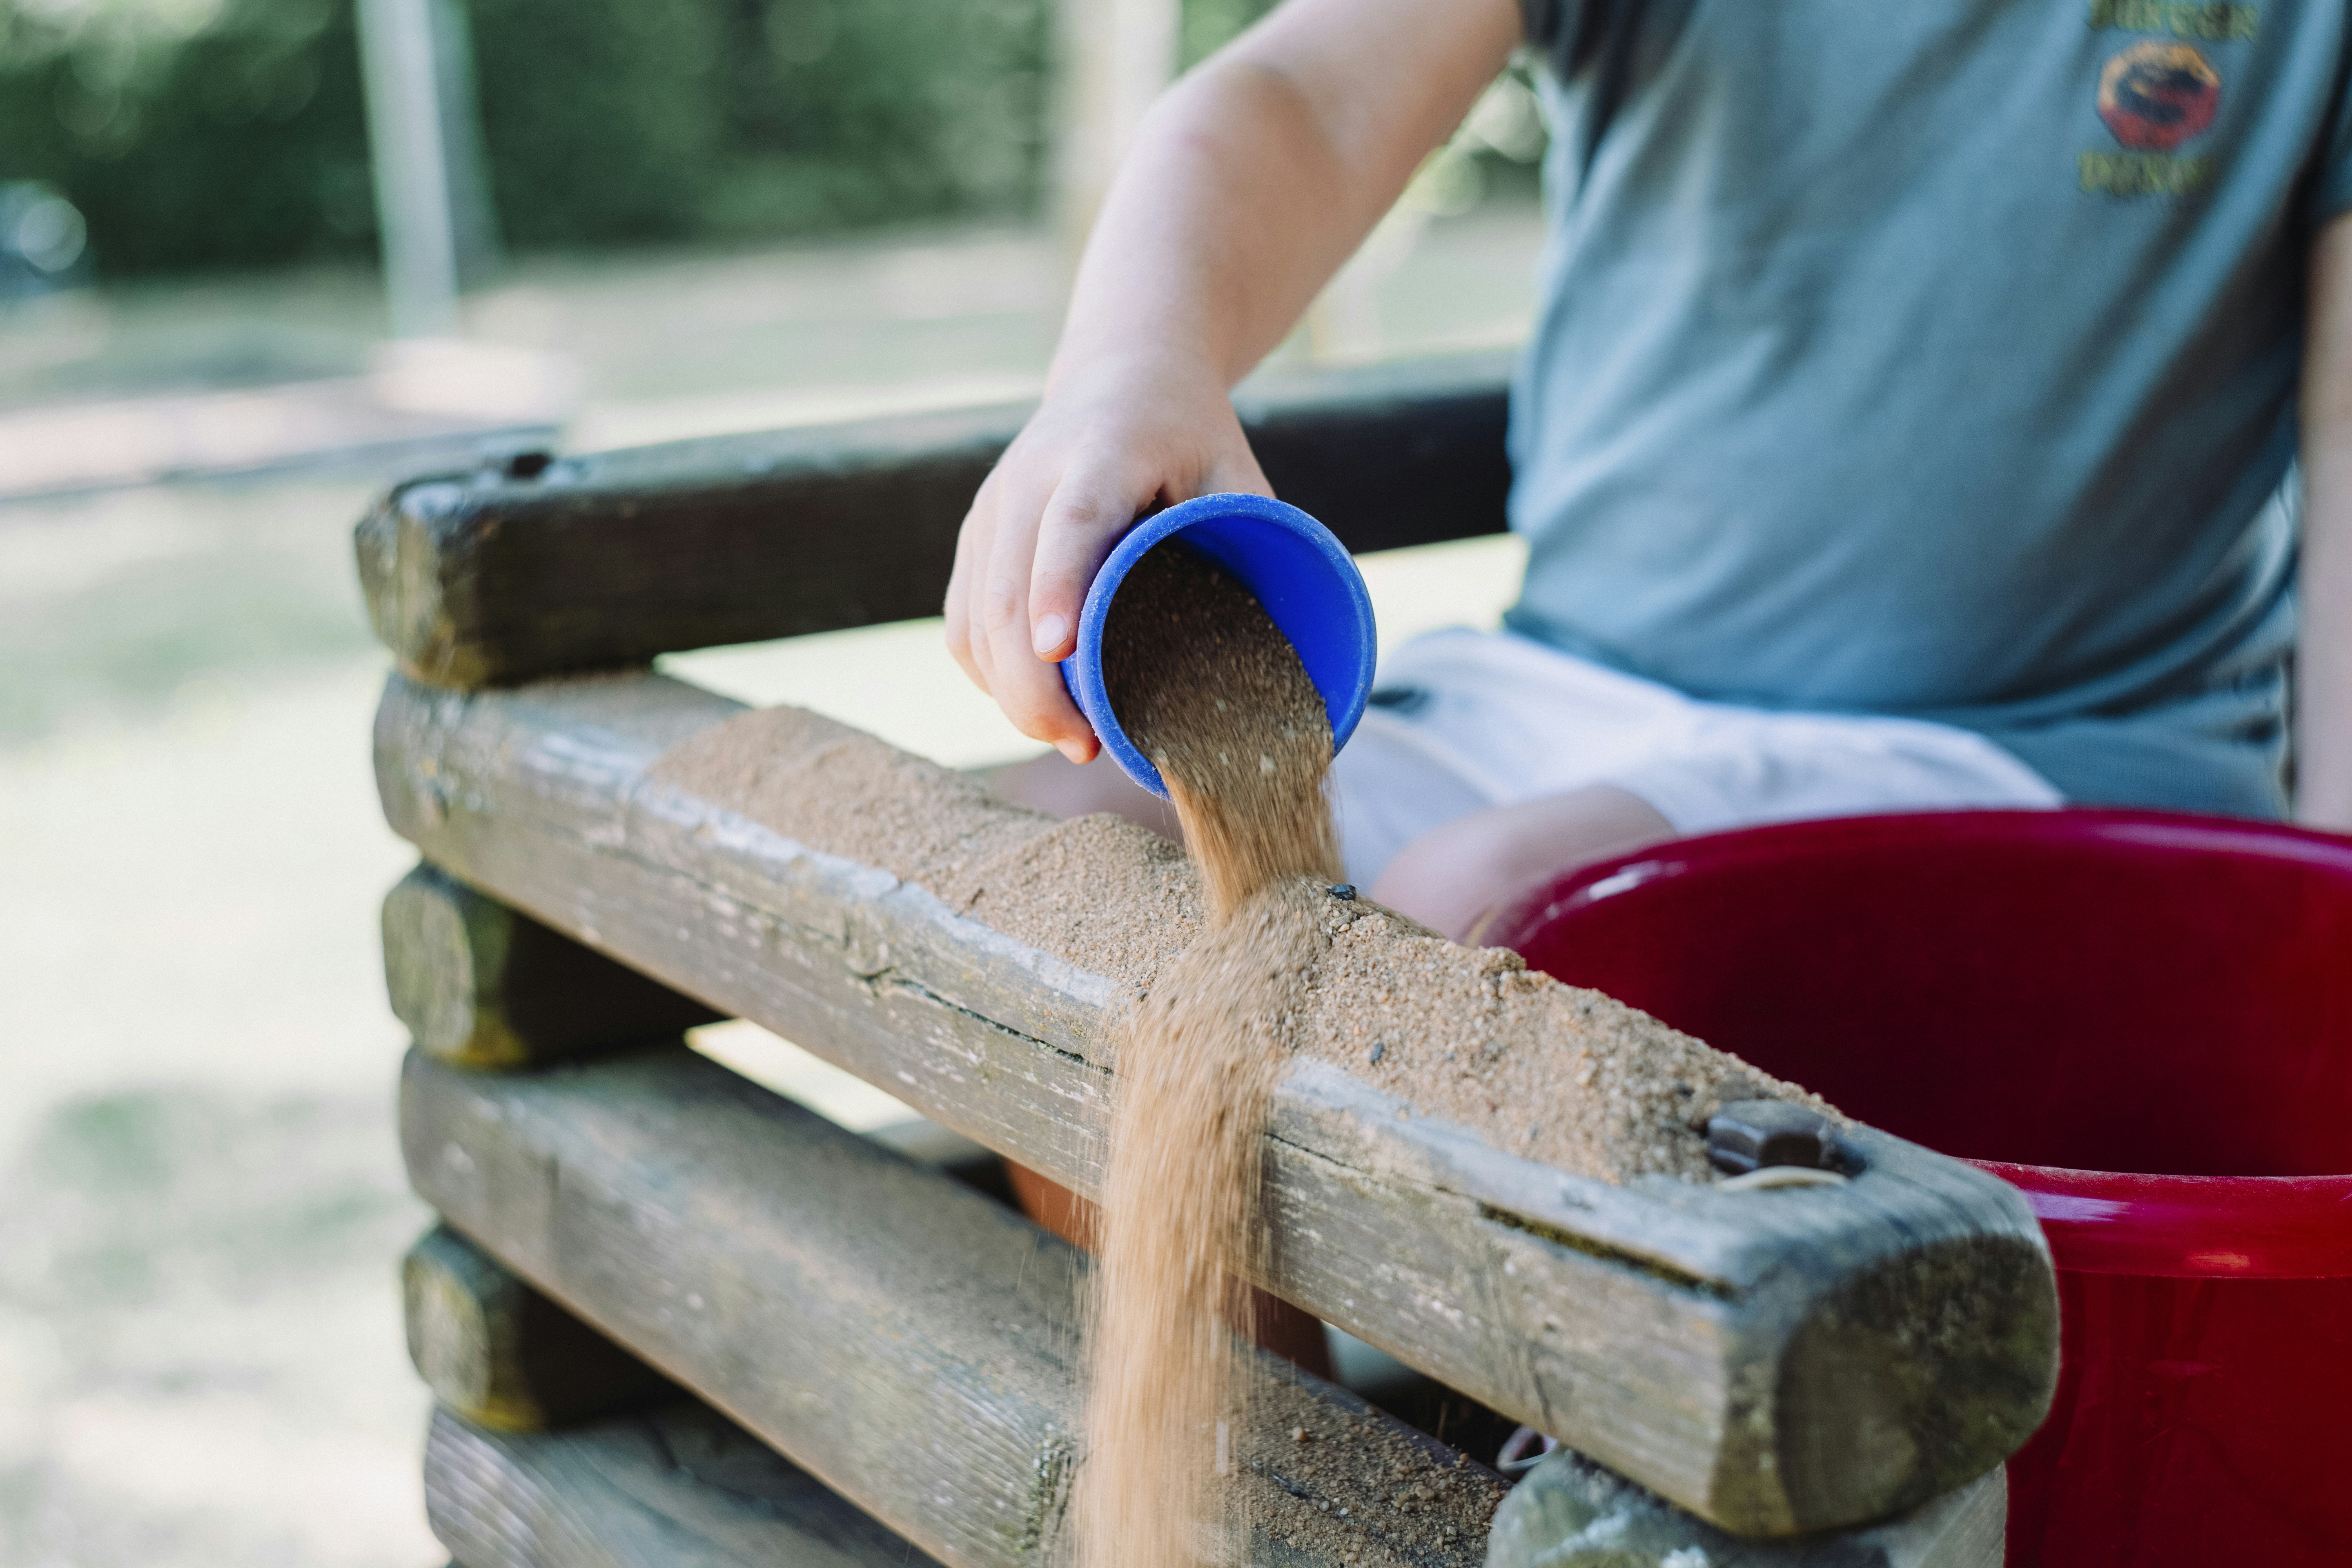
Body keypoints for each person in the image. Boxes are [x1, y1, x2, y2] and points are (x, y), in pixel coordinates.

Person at [947, 0, 2352, 942]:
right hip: (1571, 686)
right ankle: (1251, 1401)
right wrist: (1138, 361)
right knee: (1067, 859)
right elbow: (1304, 95)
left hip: (2043, 745)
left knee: (1501, 906)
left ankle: (1469, 1408)